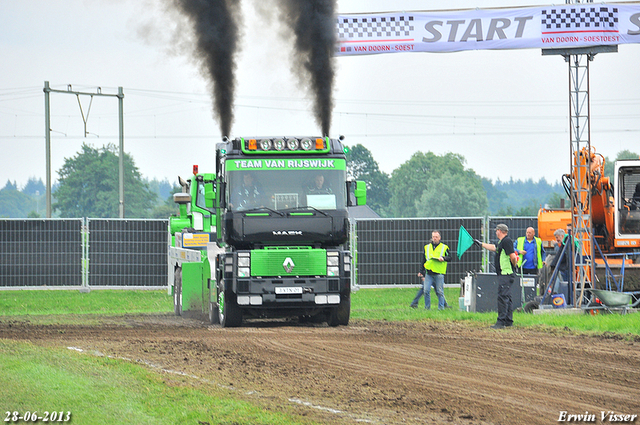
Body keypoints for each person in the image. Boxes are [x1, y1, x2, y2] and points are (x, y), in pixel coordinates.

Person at [476, 223, 517, 329]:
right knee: (507, 297)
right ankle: (508, 321)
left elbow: (513, 256)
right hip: (505, 274)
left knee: (502, 297)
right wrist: (481, 244)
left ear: (500, 231)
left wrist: (514, 266)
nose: (495, 232)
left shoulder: (506, 241)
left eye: (496, 230)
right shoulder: (502, 242)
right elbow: (494, 248)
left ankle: (501, 322)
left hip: (506, 274)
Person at [410, 230, 450, 310]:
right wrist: (421, 271)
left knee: (439, 291)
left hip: (439, 273)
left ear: (439, 238)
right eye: (433, 237)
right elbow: (423, 260)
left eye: (436, 237)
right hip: (429, 273)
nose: (434, 238)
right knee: (426, 290)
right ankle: (427, 308)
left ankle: (441, 308)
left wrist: (443, 258)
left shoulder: (444, 247)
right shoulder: (427, 247)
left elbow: (450, 257)